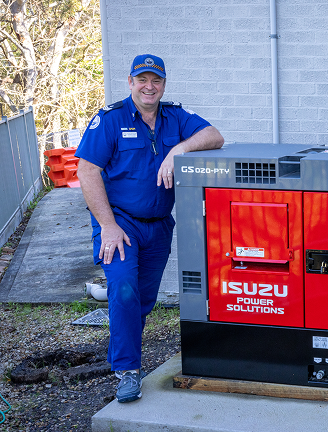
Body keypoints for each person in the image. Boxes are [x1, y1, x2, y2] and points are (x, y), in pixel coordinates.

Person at [76, 54, 224, 403]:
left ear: (163, 85)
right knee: (124, 289)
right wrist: (107, 226)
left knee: (142, 300)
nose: (149, 86)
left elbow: (215, 136)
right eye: (142, 79)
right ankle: (127, 371)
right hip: (120, 225)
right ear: (130, 82)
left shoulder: (175, 117)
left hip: (158, 227)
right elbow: (87, 170)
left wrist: (180, 149)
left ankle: (125, 353)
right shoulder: (110, 119)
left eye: (156, 80)